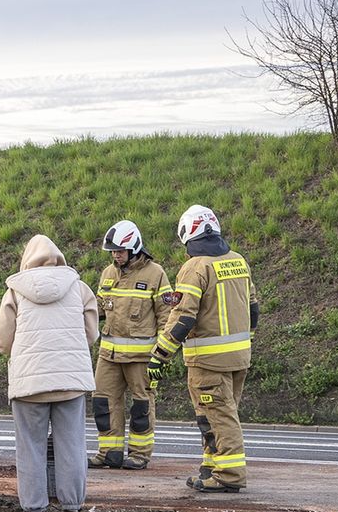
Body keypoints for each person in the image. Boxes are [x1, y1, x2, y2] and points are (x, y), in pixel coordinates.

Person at [0, 234, 98, 512]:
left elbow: (3, 341)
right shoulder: (79, 288)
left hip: (30, 384)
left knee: (31, 449)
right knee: (72, 447)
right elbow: (91, 334)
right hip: (71, 382)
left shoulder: (15, 291)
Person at [150, 205, 259, 493]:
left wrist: (160, 355)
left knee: (220, 417)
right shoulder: (238, 261)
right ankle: (211, 466)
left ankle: (229, 475)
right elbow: (253, 308)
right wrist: (245, 341)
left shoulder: (195, 267)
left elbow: (183, 317)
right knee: (213, 415)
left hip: (208, 361)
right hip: (239, 357)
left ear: (186, 234)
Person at [89, 220, 174, 471]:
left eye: (120, 251)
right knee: (102, 402)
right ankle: (109, 452)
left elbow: (167, 316)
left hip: (141, 358)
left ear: (134, 248)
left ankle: (139, 454)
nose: (116, 255)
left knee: (141, 406)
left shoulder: (155, 274)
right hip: (109, 355)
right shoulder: (108, 273)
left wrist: (162, 354)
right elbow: (100, 308)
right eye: (113, 251)